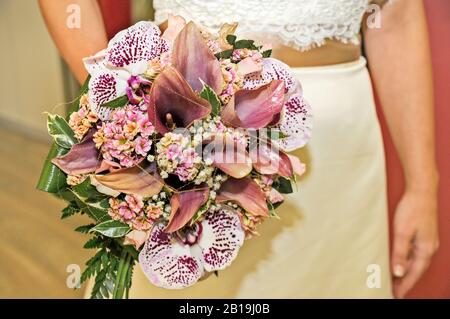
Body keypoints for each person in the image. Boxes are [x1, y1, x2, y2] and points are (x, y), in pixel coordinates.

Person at [39, 0, 439, 298]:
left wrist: (424, 186)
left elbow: (397, 14)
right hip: (184, 135)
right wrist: (129, 113)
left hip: (341, 149)